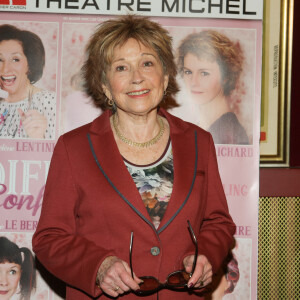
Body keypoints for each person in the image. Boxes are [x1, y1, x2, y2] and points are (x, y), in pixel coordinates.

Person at [32, 15, 236, 300]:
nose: (136, 77)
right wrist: (99, 266)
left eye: (147, 63)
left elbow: (218, 222)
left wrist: (206, 255)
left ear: (164, 76)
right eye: (121, 67)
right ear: (105, 86)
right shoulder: (73, 148)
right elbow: (49, 239)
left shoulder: (199, 142)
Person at [176, 30, 249, 145]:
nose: (193, 82)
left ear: (226, 76)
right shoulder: (202, 124)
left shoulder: (228, 132)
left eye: (204, 73)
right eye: (188, 72)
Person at [0, 24, 56, 139]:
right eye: (0, 60)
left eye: (15, 59)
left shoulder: (50, 102)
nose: (5, 69)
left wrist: (39, 137)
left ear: (29, 65)